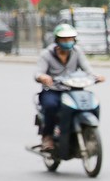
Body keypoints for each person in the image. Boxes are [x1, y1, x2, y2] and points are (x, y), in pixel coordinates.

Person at [34, 23, 106, 151]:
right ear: (57, 40)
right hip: (53, 90)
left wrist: (96, 76)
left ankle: (88, 133)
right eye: (64, 39)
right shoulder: (47, 54)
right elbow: (38, 73)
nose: (68, 42)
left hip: (73, 89)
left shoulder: (77, 52)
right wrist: (43, 77)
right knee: (51, 106)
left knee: (93, 103)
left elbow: (88, 69)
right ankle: (48, 137)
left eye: (70, 39)